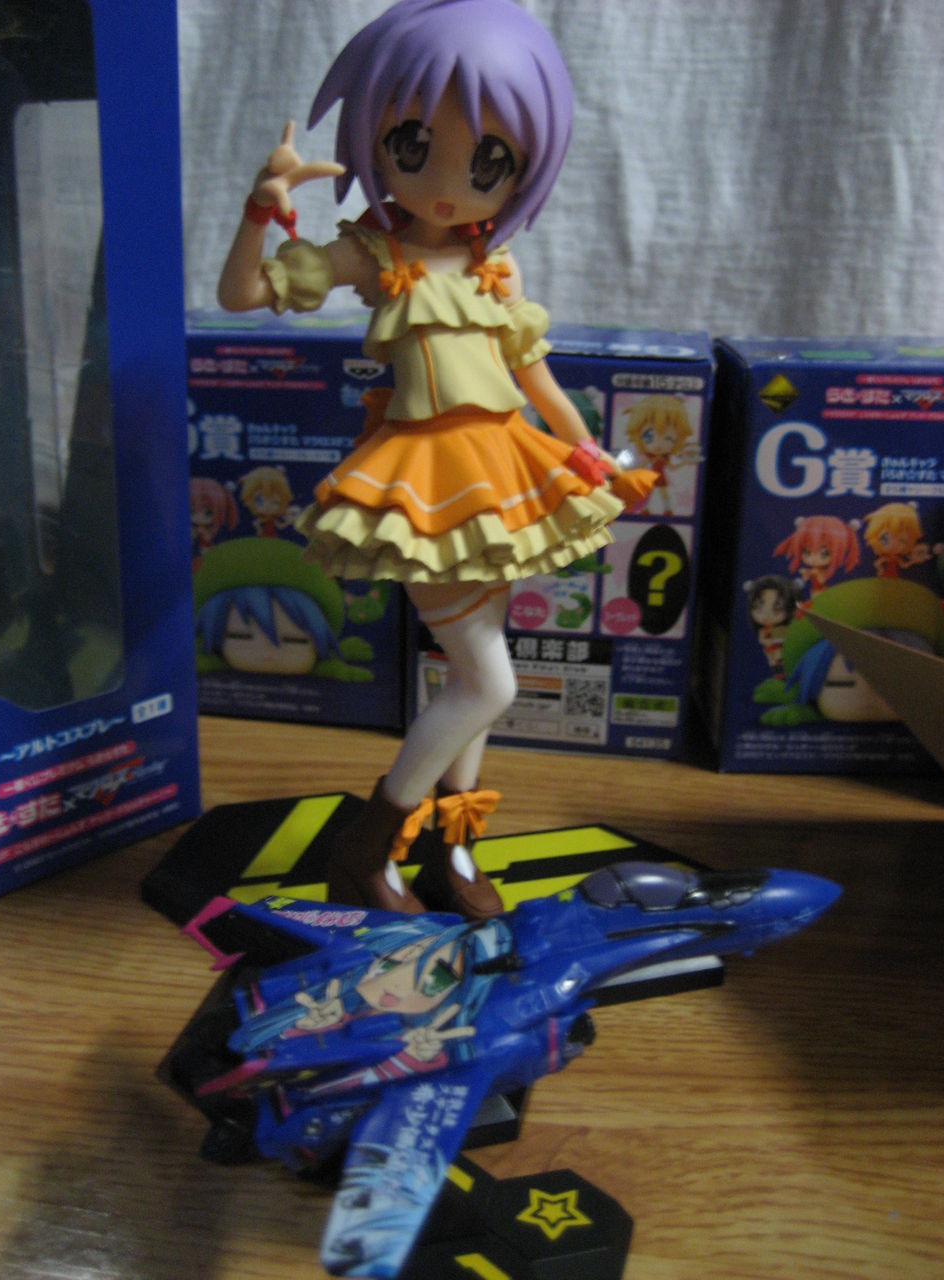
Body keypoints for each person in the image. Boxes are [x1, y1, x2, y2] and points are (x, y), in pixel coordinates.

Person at [218, 0, 655, 918]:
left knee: (470, 677)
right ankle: (365, 847)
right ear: (376, 141)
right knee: (490, 681)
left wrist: (590, 455)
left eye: (491, 161)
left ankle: (452, 855)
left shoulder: (497, 265)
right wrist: (263, 208)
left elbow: (535, 378)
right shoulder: (374, 254)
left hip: (505, 475)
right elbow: (244, 292)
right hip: (422, 485)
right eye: (412, 146)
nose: (451, 184)